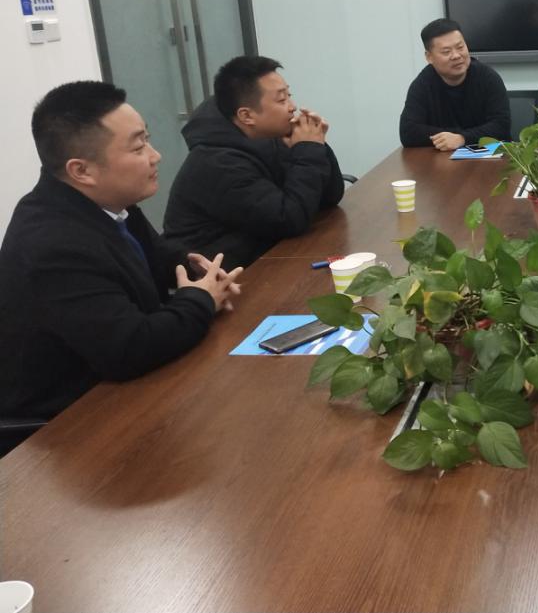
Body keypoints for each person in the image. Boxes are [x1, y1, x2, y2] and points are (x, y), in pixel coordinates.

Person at [0, 81, 241, 426]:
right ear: (81, 170)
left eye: (147, 139)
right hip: (66, 425)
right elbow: (129, 349)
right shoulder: (53, 244)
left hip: (124, 392)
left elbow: (153, 254)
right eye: (138, 147)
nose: (155, 156)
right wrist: (201, 300)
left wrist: (194, 268)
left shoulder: (103, 202)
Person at [163, 56, 345, 269]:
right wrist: (308, 149)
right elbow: (288, 219)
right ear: (246, 115)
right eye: (281, 100)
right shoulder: (217, 163)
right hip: (225, 277)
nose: (292, 107)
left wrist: (315, 143)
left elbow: (328, 197)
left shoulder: (266, 136)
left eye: (289, 96)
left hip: (270, 258)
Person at [399, 18, 511, 150]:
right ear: (429, 57)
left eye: (460, 47)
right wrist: (451, 137)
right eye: (446, 52)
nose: (456, 55)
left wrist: (462, 138)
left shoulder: (488, 78)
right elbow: (408, 132)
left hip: (487, 157)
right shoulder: (423, 84)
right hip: (440, 159)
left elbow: (501, 127)